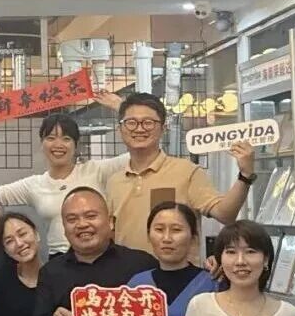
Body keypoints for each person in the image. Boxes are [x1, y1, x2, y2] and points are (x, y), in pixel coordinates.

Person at [0, 110, 129, 257]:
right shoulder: (35, 185)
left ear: (76, 145)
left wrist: (122, 111)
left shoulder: (97, 170)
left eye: (66, 139)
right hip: (60, 261)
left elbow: (136, 155)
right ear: (42, 143)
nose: (58, 145)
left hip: (101, 255)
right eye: (51, 138)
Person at [32, 187, 157, 316]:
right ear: (64, 228)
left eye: (91, 216)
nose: (82, 224)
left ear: (111, 221)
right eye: (72, 219)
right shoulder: (51, 271)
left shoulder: (141, 264)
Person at [107, 93, 255, 257]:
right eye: (131, 122)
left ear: (163, 128)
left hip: (176, 272)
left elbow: (225, 215)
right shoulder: (114, 182)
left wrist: (245, 175)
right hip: (127, 273)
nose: (140, 128)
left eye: (148, 122)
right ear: (120, 129)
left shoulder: (187, 172)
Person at [122, 202, 219, 316]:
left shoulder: (211, 282)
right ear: (149, 235)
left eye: (176, 230)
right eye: (159, 229)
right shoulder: (137, 285)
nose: (167, 238)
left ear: (193, 237)